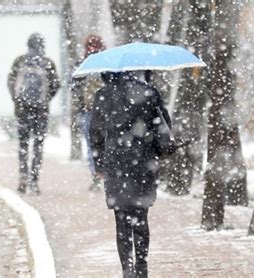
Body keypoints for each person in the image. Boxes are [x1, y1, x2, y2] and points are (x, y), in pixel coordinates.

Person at [89, 72, 175, 278]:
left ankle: (127, 269)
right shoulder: (148, 91)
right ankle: (142, 267)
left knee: (121, 219)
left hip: (115, 161)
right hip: (144, 161)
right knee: (141, 216)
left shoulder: (103, 94)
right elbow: (163, 124)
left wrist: (99, 163)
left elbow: (95, 132)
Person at [8, 33, 60, 195]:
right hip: (41, 111)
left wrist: (18, 100)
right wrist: (44, 100)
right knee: (38, 145)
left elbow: (11, 82)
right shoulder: (47, 63)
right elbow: (56, 85)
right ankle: (34, 180)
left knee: (23, 144)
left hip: (22, 110)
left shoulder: (20, 61)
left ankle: (23, 176)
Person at [71, 35, 106, 191]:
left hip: (88, 111)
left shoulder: (81, 65)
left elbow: (74, 86)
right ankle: (106, 174)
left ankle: (96, 174)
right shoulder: (107, 64)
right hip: (106, 112)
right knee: (106, 143)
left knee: (92, 145)